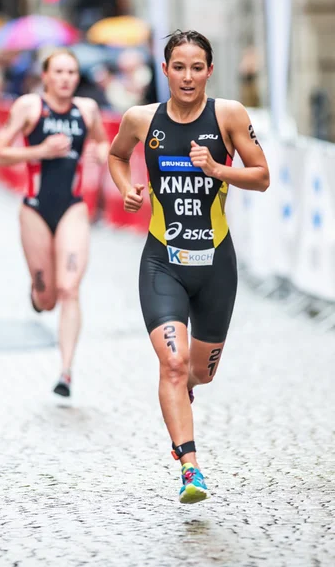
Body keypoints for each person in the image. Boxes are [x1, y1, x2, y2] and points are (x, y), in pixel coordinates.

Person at [108, 30, 269, 504]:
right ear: (165, 70)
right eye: (179, 67)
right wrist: (127, 188)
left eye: (197, 67)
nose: (188, 76)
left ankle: (183, 390)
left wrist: (219, 170)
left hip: (216, 263)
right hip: (163, 262)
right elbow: (117, 156)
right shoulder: (141, 119)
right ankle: (190, 468)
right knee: (173, 363)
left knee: (201, 371)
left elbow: (261, 176)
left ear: (209, 71)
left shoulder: (228, 115)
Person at [0, 49, 109, 397]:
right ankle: (37, 292)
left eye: (71, 72)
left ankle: (66, 371)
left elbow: (104, 143)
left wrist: (98, 153)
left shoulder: (86, 110)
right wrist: (38, 151)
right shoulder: (29, 107)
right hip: (34, 209)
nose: (65, 78)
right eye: (58, 71)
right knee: (47, 299)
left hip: (73, 208)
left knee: (70, 288)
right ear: (45, 76)